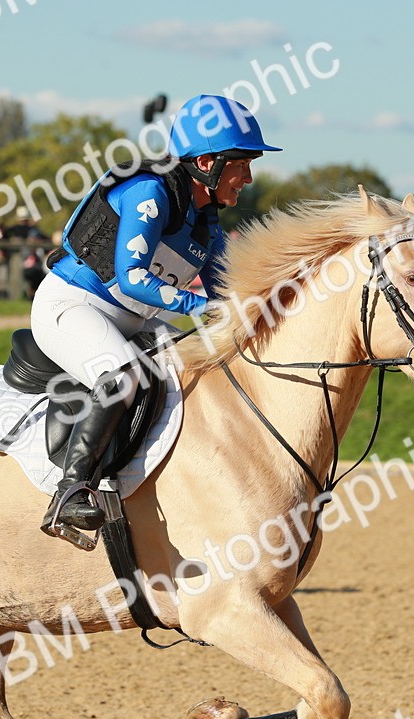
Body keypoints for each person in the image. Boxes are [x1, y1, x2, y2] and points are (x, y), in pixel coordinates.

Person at [30, 93, 280, 540]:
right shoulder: (150, 193)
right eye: (242, 164)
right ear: (206, 162)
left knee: (203, 372)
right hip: (71, 306)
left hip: (134, 321)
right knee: (121, 375)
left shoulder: (206, 222)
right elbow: (131, 279)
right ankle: (71, 492)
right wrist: (198, 307)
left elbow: (227, 292)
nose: (248, 177)